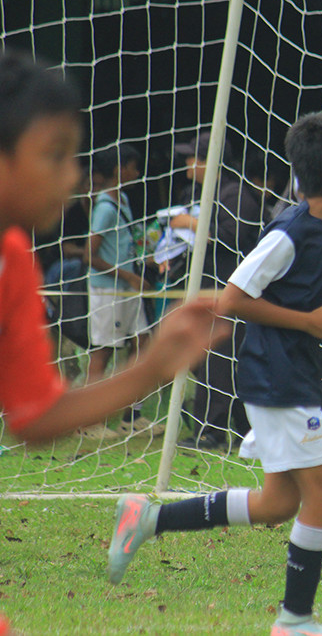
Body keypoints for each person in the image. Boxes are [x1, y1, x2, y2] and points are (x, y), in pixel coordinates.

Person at [107, 110, 322, 636]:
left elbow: (295, 303)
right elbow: (231, 299)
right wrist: (309, 322)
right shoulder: (291, 231)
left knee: (278, 504)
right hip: (276, 377)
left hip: (290, 371)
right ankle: (294, 621)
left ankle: (148, 517)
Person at [0, 51, 226, 634]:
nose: (73, 174)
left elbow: (35, 417)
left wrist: (157, 365)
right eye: (54, 154)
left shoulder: (15, 261)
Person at [172, 131, 263, 448]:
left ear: (211, 163)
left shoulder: (236, 193)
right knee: (202, 357)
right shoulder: (197, 194)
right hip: (205, 289)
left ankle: (210, 432)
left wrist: (193, 225)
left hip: (230, 293)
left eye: (192, 159)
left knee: (219, 359)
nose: (186, 166)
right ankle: (240, 428)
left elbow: (235, 238)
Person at [83, 143, 162, 440]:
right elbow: (90, 256)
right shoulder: (104, 207)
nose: (137, 172)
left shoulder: (124, 200)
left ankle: (132, 416)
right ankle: (89, 420)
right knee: (103, 349)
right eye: (133, 166)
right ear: (119, 170)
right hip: (109, 290)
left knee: (141, 343)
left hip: (128, 289)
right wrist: (128, 275)